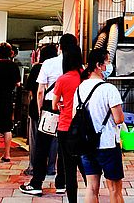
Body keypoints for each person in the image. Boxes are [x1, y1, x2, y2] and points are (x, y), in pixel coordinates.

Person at [20, 33, 78, 196]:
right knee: (64, 147)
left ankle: (36, 183)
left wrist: (40, 111)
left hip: (49, 107)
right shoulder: (77, 66)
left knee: (42, 147)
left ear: (60, 46)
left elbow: (40, 91)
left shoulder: (49, 63)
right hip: (69, 109)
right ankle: (61, 183)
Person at [78, 49, 125, 203]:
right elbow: (119, 119)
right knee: (114, 189)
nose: (109, 65)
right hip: (108, 144)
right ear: (99, 65)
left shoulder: (79, 89)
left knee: (91, 187)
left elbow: (75, 117)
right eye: (107, 62)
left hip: (86, 144)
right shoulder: (109, 89)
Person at [49, 45, 87, 203]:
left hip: (65, 127)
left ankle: (73, 200)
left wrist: (63, 105)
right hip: (84, 127)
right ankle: (93, 192)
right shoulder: (86, 78)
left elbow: (54, 105)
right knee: (85, 164)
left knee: (69, 167)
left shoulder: (62, 79)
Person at [24, 44, 59, 176]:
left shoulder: (37, 68)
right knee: (53, 139)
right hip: (54, 107)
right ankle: (51, 168)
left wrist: (37, 108)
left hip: (37, 108)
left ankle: (33, 168)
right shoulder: (60, 67)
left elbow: (34, 91)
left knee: (35, 140)